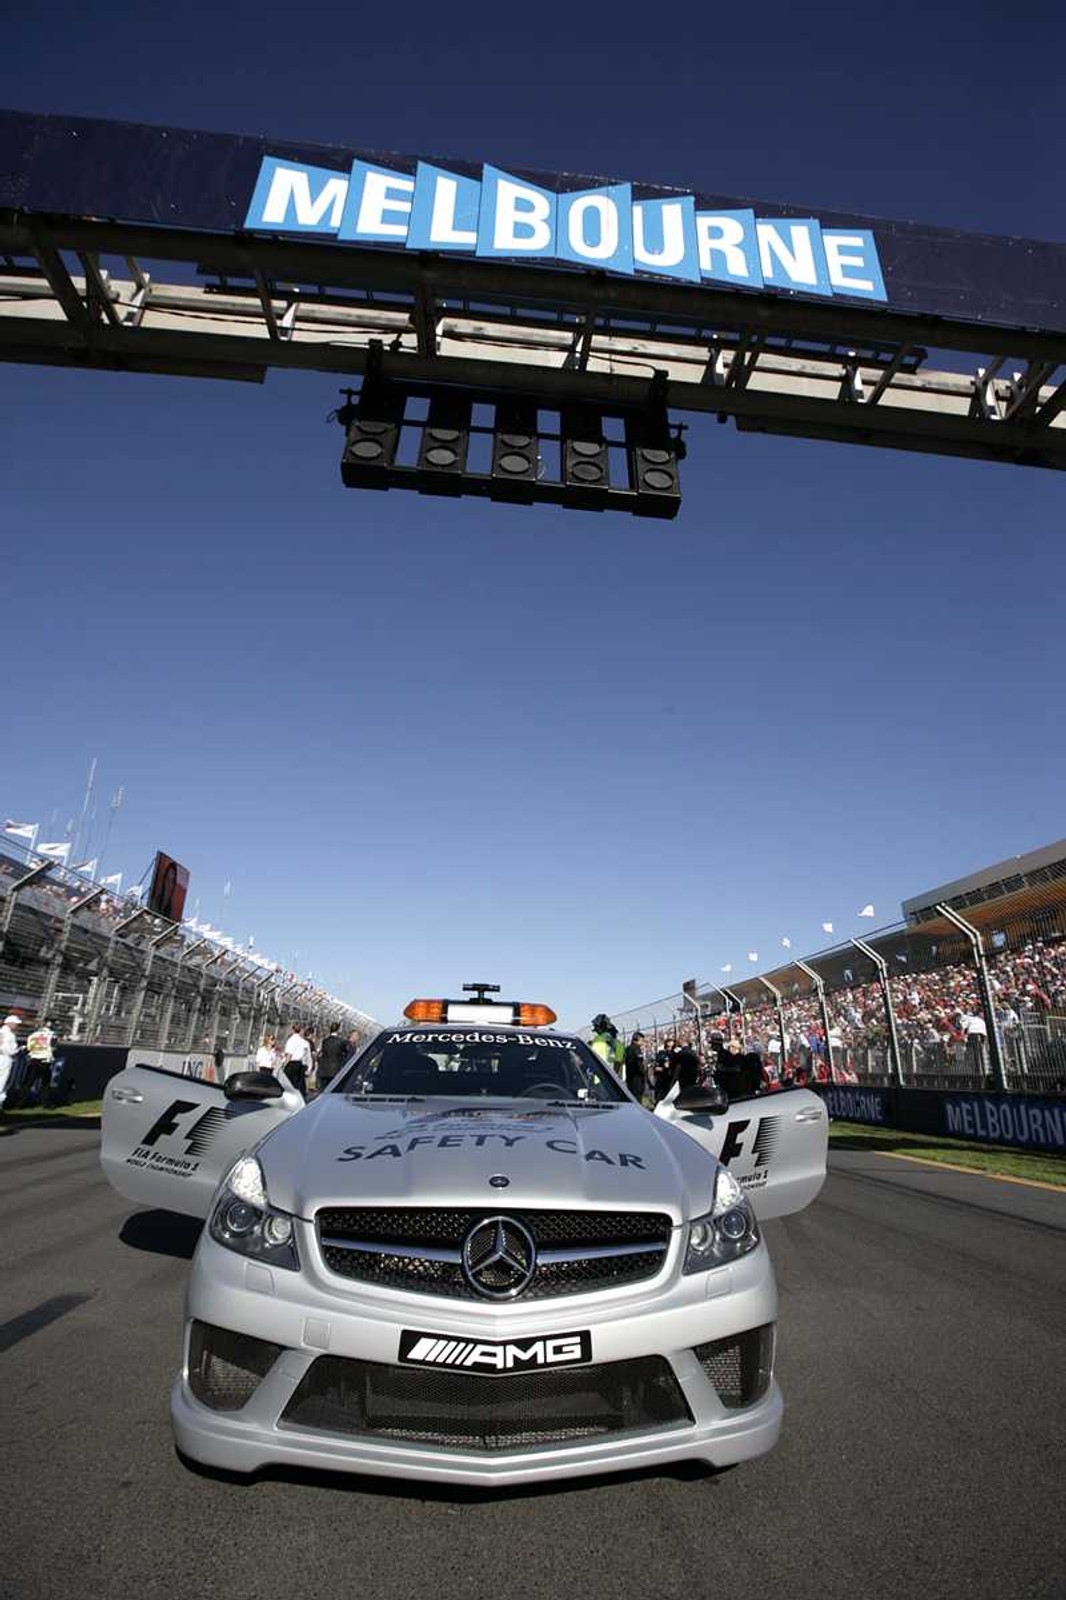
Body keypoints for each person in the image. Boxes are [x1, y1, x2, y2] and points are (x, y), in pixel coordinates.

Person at [26, 1019, 56, 1106]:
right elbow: (54, 1047)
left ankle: (19, 1102)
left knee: (27, 1083)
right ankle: (45, 1103)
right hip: (44, 1061)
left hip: (34, 1059)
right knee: (45, 1084)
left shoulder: (33, 1034)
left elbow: (29, 1047)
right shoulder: (52, 1034)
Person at [317, 1022, 349, 1092]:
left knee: (323, 1090)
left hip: (324, 1069)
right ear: (338, 1030)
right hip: (336, 1069)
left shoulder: (325, 1041)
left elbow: (321, 1053)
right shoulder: (341, 1042)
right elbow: (346, 1054)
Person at [283, 1024, 312, 1095]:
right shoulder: (304, 1042)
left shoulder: (291, 1040)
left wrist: (284, 1065)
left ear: (292, 1030)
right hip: (300, 1064)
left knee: (289, 1084)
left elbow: (289, 1054)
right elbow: (308, 1056)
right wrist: (309, 1067)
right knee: (299, 1084)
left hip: (292, 1064)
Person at [0, 1012, 20, 1111]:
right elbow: (9, 1049)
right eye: (15, 1023)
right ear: (10, 1023)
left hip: (3, 1056)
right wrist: (17, 1050)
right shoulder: (9, 1034)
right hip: (5, 1058)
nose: (16, 1026)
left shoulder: (2, 1031)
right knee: (2, 1081)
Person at [623, 1031, 647, 1101]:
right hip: (637, 1078)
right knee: (637, 1098)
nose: (643, 1042)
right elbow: (639, 1064)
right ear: (637, 1040)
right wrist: (644, 1072)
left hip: (630, 1077)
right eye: (642, 1040)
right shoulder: (636, 1049)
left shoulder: (628, 1049)